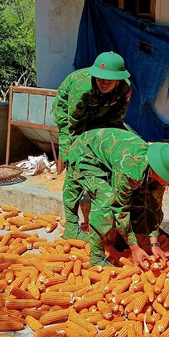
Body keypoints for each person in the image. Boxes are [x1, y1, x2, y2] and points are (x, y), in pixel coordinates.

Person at [64, 127, 169, 268]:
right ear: (161, 173)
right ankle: (97, 258)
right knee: (105, 199)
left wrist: (154, 243)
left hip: (107, 154)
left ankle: (122, 238)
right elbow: (119, 208)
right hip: (85, 153)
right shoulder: (131, 170)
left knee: (138, 198)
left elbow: (154, 208)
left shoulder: (158, 171)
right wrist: (134, 247)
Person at [52, 51, 132, 238]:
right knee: (75, 163)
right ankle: (71, 227)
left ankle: (110, 221)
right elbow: (73, 127)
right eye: (100, 78)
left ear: (118, 80)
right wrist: (69, 151)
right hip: (71, 117)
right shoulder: (82, 87)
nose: (103, 82)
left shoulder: (125, 89)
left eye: (109, 80)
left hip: (102, 117)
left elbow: (116, 122)